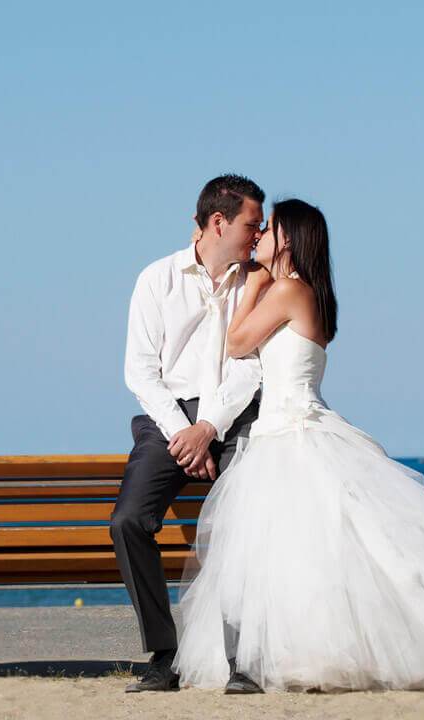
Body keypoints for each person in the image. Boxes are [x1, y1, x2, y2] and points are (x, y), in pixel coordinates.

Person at [171, 198, 424, 693]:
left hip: (291, 435)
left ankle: (296, 656)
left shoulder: (286, 290)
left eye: (270, 228)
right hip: (281, 432)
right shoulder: (307, 293)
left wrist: (255, 282)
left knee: (291, 551)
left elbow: (237, 343)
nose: (259, 235)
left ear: (288, 240)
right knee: (301, 552)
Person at [113, 174, 266, 692]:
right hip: (168, 422)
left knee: (243, 520)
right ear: (218, 222)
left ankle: (242, 660)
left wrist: (209, 426)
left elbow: (252, 366)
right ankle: (164, 655)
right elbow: (141, 373)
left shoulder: (255, 281)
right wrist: (186, 432)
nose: (259, 233)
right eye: (252, 224)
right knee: (128, 521)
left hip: (234, 418)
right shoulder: (156, 279)